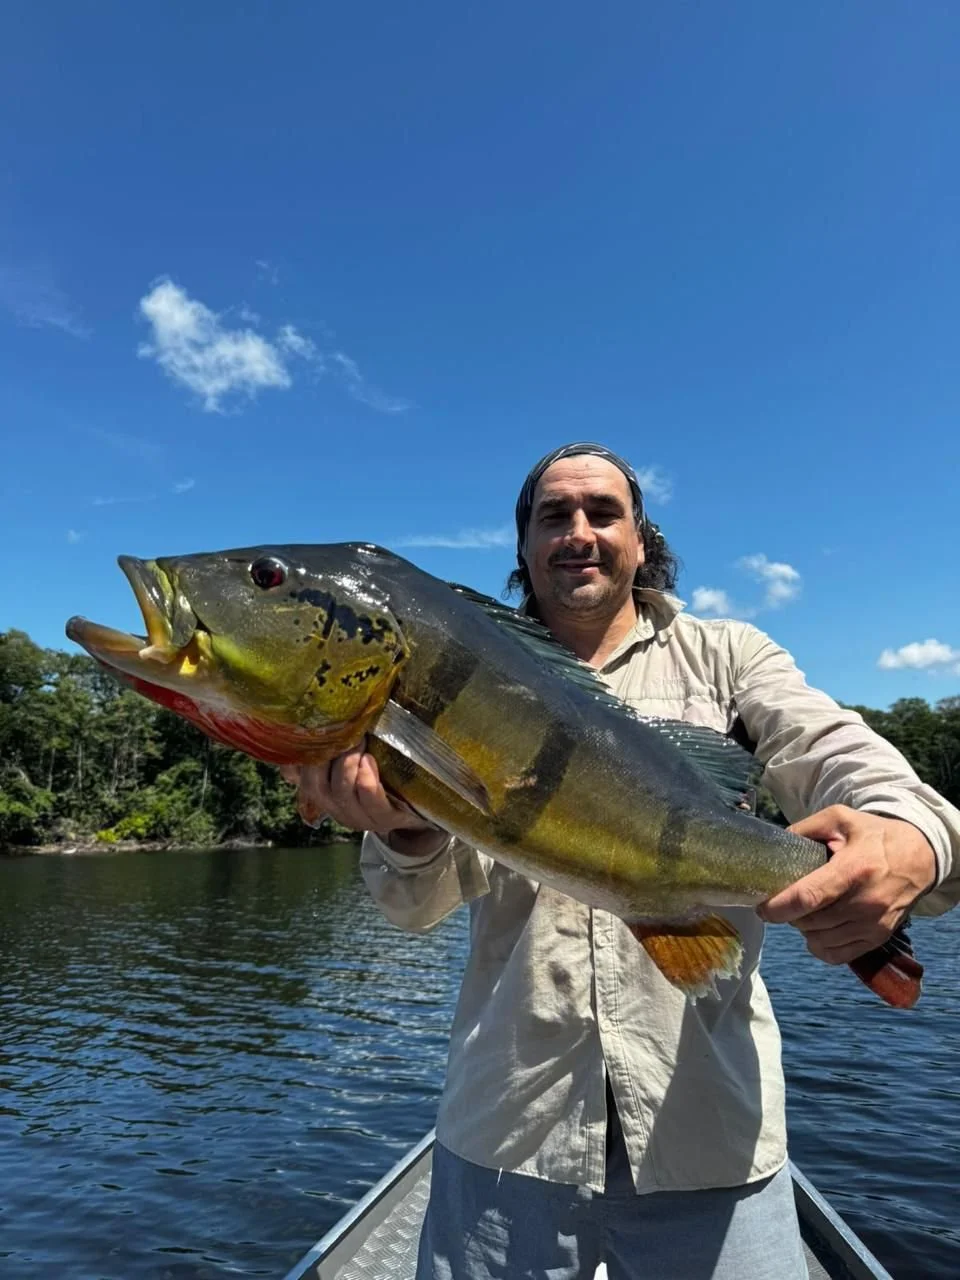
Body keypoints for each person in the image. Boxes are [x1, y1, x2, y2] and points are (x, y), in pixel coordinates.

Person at [285, 443, 960, 1279]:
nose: (579, 531)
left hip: (709, 1137)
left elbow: (842, 755)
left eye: (603, 512)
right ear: (524, 549)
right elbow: (411, 910)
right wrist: (408, 830)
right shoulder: (444, 673)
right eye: (552, 516)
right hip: (508, 1131)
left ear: (642, 541)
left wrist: (909, 837)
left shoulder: (729, 657)